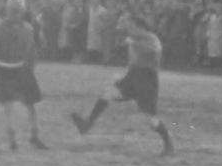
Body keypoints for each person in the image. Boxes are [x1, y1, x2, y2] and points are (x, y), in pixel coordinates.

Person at [69, 13, 175, 157]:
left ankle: (168, 143)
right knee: (108, 93)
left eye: (130, 25)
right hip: (133, 76)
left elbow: (153, 52)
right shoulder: (133, 39)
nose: (127, 28)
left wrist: (132, 41)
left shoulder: (151, 38)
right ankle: (87, 124)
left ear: (139, 26)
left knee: (152, 121)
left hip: (147, 80)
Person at [0, 0, 48, 151]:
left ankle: (34, 135)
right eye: (12, 11)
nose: (15, 14)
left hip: (22, 68)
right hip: (4, 68)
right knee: (8, 105)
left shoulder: (28, 29)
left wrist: (30, 69)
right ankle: (12, 139)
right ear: (7, 11)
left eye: (18, 11)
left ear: (23, 12)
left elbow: (32, 51)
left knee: (31, 104)